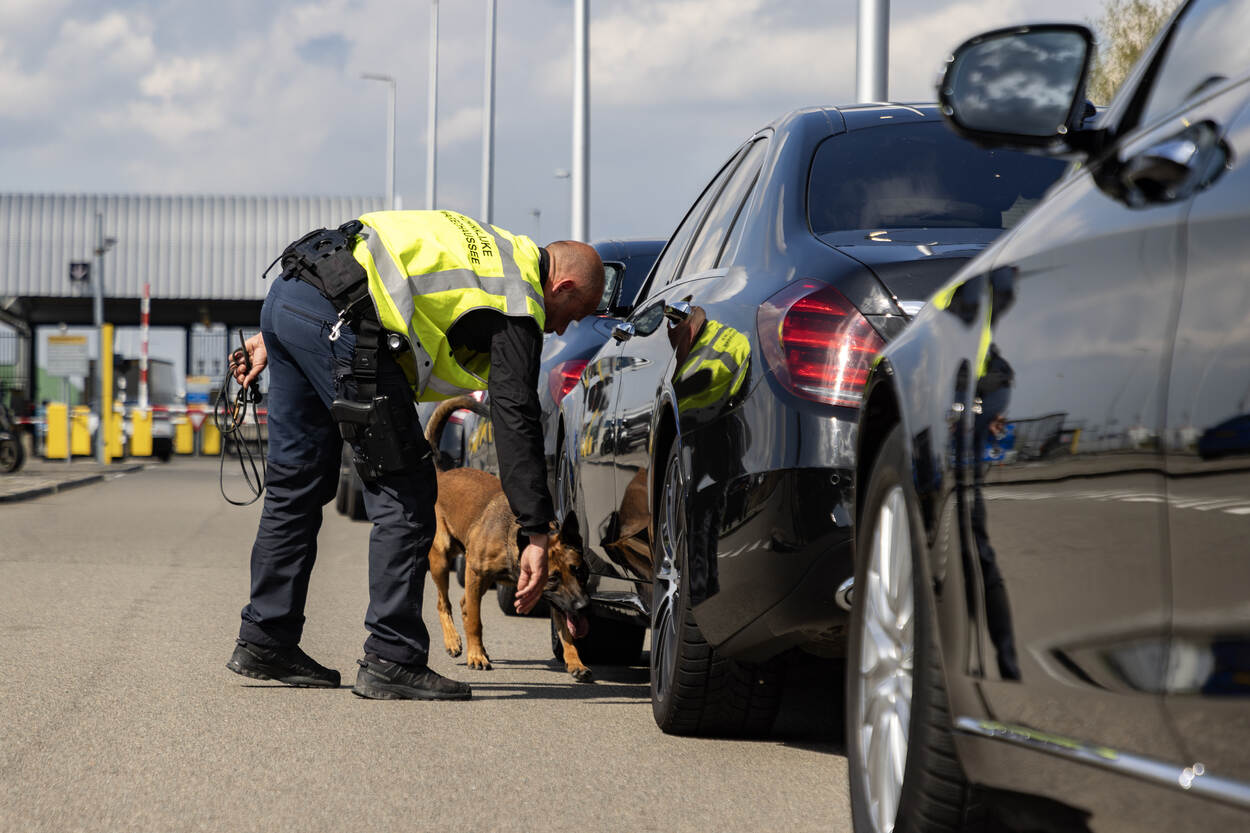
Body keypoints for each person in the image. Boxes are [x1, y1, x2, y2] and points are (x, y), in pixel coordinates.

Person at [225, 210, 604, 700]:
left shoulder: (494, 248)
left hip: (294, 295)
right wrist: (535, 529)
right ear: (564, 285)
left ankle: (265, 639)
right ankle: (392, 657)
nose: (560, 330)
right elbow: (515, 417)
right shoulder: (519, 298)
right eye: (572, 314)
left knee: (294, 486)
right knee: (407, 491)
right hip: (344, 321)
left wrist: (286, 332)